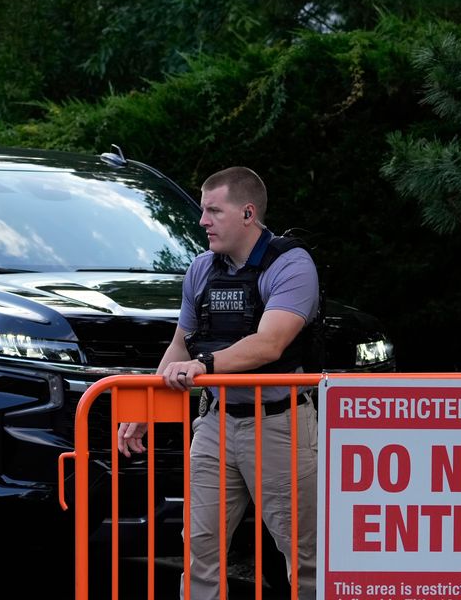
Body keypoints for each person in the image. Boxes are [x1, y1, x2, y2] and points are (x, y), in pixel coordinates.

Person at [117, 166, 319, 600]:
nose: (202, 221)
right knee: (199, 549)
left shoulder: (292, 265)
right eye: (203, 210)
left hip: (278, 425)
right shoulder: (202, 269)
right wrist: (145, 408)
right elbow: (179, 346)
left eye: (213, 210)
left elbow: (270, 344)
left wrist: (204, 366)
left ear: (248, 213)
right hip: (214, 423)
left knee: (306, 556)